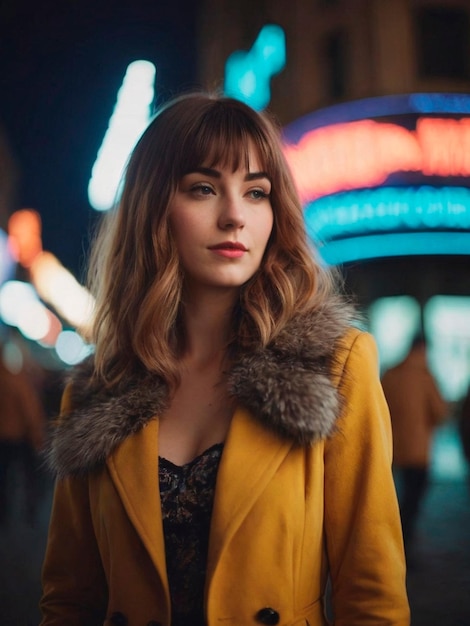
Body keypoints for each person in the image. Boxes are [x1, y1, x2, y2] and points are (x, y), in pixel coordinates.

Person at [40, 92, 410, 625]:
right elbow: (68, 599)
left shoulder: (336, 365)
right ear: (153, 207)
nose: (235, 215)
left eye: (256, 192)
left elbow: (372, 595)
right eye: (204, 188)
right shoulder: (98, 389)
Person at [381, 334, 447, 557]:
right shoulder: (426, 377)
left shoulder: (390, 374)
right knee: (413, 499)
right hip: (419, 451)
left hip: (392, 448)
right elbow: (440, 412)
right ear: (424, 349)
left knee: (392, 497)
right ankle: (404, 544)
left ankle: (392, 540)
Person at [0, 353, 45, 526]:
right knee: (26, 477)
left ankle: (4, 513)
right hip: (17, 438)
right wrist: (37, 438)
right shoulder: (16, 382)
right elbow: (30, 412)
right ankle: (29, 512)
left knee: (4, 479)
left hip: (4, 439)